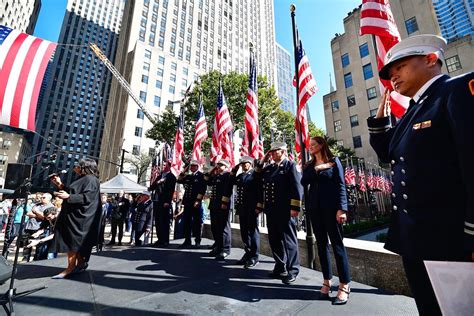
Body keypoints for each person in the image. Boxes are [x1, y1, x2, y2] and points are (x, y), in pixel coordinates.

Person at [367, 34, 474, 315]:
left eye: (399, 67)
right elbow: (390, 154)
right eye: (390, 73)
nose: (393, 76)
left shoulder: (458, 90)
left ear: (430, 59)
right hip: (416, 240)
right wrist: (379, 121)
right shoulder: (416, 109)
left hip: (450, 240)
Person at [301, 136, 351, 305]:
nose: (311, 147)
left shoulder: (334, 161)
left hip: (332, 210)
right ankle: (327, 281)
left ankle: (344, 285)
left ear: (322, 145)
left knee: (337, 245)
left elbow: (341, 185)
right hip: (315, 210)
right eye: (310, 145)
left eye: (314, 144)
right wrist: (318, 168)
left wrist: (342, 208)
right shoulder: (309, 166)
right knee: (321, 246)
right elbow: (303, 180)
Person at [255, 142, 303, 285]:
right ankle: (280, 266)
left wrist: (295, 208)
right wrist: (262, 161)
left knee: (289, 241)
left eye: (274, 151)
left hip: (285, 210)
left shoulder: (290, 166)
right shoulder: (269, 168)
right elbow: (256, 177)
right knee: (274, 239)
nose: (272, 153)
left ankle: (293, 270)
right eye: (271, 151)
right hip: (271, 210)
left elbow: (297, 187)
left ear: (283, 151)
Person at [50, 158, 102, 279]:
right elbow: (74, 192)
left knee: (73, 242)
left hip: (81, 219)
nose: (75, 167)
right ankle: (81, 263)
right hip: (74, 216)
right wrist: (60, 185)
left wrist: (68, 196)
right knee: (73, 242)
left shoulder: (91, 179)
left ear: (84, 167)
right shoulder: (83, 178)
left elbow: (87, 197)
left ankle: (71, 267)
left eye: (78, 165)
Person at [226, 156, 260, 268]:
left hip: (251, 207)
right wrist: (234, 170)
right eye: (242, 164)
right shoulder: (240, 176)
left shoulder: (255, 175)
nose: (244, 165)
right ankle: (248, 253)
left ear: (250, 164)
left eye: (246, 163)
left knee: (253, 232)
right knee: (244, 232)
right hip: (242, 208)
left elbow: (260, 191)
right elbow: (230, 182)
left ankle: (254, 256)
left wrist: (259, 206)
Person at [205, 159, 233, 260]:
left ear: (226, 167)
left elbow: (228, 190)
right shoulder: (217, 176)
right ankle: (218, 246)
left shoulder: (227, 176)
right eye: (218, 164)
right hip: (214, 205)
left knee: (224, 228)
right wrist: (212, 170)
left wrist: (224, 202)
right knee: (215, 227)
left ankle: (225, 249)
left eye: (221, 165)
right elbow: (207, 181)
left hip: (222, 205)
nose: (218, 166)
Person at [176, 160, 206, 248]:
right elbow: (179, 180)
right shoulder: (188, 176)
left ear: (197, 167)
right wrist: (184, 170)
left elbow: (202, 189)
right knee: (187, 222)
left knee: (197, 222)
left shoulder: (201, 176)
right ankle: (187, 240)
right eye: (191, 166)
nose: (192, 168)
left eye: (194, 166)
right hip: (188, 202)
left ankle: (197, 241)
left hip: (195, 202)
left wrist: (198, 200)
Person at [149, 161, 176, 247]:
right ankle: (160, 239)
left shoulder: (171, 177)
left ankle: (165, 240)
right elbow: (152, 187)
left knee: (164, 221)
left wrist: (167, 201)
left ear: (169, 166)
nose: (163, 166)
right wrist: (157, 182)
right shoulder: (160, 176)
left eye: (165, 165)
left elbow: (170, 191)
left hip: (164, 202)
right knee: (158, 221)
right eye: (162, 165)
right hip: (157, 200)